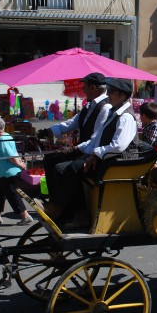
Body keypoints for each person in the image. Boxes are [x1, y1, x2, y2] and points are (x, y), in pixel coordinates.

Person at [41, 72, 109, 222]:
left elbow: (96, 139)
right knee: (50, 159)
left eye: (85, 86)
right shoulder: (89, 105)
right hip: (83, 149)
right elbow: (72, 123)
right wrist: (48, 131)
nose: (83, 89)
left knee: (62, 168)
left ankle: (76, 211)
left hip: (92, 151)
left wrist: (73, 149)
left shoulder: (105, 108)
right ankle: (56, 203)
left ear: (94, 87)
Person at [0, 118, 34, 227]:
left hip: (7, 173)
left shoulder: (2, 140)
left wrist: (20, 164)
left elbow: (11, 156)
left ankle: (25, 215)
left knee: (12, 195)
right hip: (1, 173)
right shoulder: (5, 137)